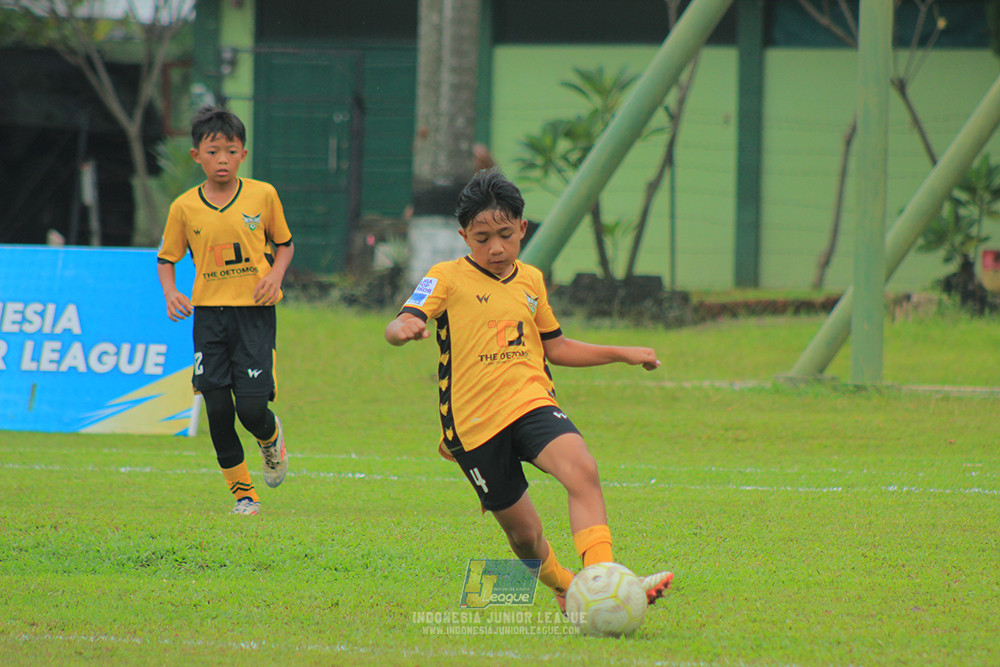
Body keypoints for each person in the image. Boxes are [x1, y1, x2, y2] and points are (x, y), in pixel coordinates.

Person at [384, 168, 672, 612]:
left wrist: (622, 351)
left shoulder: (531, 280)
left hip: (531, 402)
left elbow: (555, 347)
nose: (495, 247)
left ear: (522, 227)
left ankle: (603, 579)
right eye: (482, 238)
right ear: (464, 236)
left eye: (504, 234)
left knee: (583, 470)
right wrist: (404, 328)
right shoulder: (445, 276)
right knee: (524, 535)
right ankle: (566, 587)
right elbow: (405, 318)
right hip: (474, 424)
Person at [157, 105, 294, 516]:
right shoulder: (185, 207)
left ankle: (270, 440)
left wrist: (275, 277)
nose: (222, 159)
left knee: (251, 409)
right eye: (213, 151)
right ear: (196, 154)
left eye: (231, 151)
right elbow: (167, 258)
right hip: (209, 316)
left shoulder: (263, 195)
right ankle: (244, 496)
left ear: (243, 155)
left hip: (253, 314)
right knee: (217, 408)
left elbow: (284, 244)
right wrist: (171, 292)